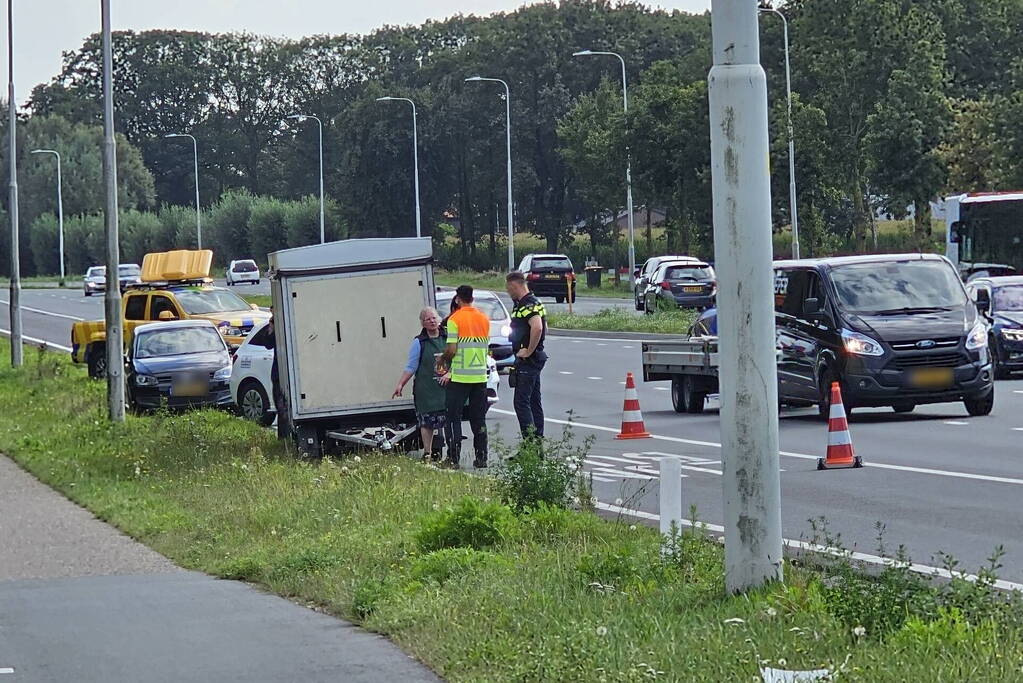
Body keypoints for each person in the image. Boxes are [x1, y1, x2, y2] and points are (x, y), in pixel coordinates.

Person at [437, 285, 490, 469]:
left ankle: (453, 458)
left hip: (460, 377)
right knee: (478, 419)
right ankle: (482, 457)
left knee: (453, 418)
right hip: (480, 377)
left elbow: (452, 349)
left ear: (458, 299)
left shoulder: (455, 319)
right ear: (472, 298)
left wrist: (443, 359)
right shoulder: (483, 318)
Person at [392, 307, 448, 461]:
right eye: (428, 319)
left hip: (446, 389)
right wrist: (400, 384)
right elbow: (411, 366)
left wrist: (451, 374)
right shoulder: (419, 342)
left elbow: (458, 359)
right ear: (423, 323)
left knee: (449, 421)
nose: (432, 321)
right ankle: (428, 453)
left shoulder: (448, 337)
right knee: (427, 423)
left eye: (434, 318)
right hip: (426, 390)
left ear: (439, 319)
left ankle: (453, 453)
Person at [505, 271, 548, 440]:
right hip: (533, 358)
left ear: (515, 286)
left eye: (509, 289)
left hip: (528, 359)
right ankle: (536, 446)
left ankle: (530, 445)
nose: (508, 292)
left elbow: (537, 327)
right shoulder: (532, 301)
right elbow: (545, 327)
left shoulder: (527, 304)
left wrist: (529, 350)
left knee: (521, 403)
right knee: (533, 401)